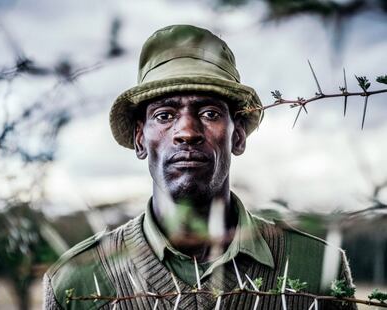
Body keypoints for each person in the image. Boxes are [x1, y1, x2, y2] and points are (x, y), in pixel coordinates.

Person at [43, 25, 356, 310]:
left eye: (209, 113)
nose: (187, 132)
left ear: (239, 136)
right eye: (164, 115)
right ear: (140, 139)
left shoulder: (316, 269)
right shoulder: (77, 281)